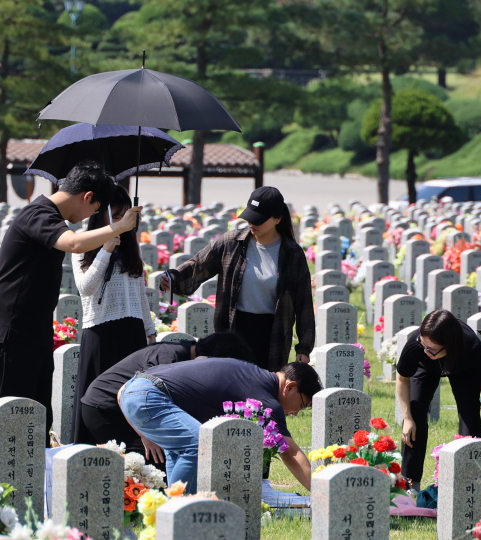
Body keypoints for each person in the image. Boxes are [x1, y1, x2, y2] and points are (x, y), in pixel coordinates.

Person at [0, 162, 142, 436]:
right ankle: (11, 479)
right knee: (18, 421)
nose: (88, 216)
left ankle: (31, 476)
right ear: (87, 197)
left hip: (35, 330)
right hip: (13, 331)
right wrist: (119, 227)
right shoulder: (38, 213)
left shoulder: (52, 217)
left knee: (39, 420)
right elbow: (74, 244)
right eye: (93, 210)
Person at [160, 186, 313, 371]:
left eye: (259, 219)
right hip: (232, 327)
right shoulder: (231, 242)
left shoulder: (292, 254)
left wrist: (304, 346)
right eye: (250, 216)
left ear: (277, 219)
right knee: (228, 383)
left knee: (263, 388)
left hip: (271, 334)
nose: (252, 223)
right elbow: (199, 264)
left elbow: (303, 301)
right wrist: (174, 276)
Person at [119, 359, 321, 492]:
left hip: (135, 391)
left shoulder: (252, 374)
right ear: (290, 387)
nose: (295, 413)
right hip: (149, 396)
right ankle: (178, 516)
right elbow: (290, 453)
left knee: (179, 450)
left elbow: (122, 391)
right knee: (199, 445)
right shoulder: (267, 400)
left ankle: (175, 517)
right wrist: (323, 496)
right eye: (301, 406)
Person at [395, 309, 481, 493]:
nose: (426, 350)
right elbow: (402, 378)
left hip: (463, 369)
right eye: (424, 345)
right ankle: (410, 483)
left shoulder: (472, 348)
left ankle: (470, 479)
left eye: (432, 349)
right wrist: (407, 418)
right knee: (415, 415)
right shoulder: (417, 345)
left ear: (449, 345)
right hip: (425, 369)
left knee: (469, 416)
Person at [70, 185, 156, 442]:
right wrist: (105, 249)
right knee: (95, 398)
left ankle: (133, 464)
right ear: (101, 216)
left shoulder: (131, 251)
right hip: (100, 332)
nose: (121, 223)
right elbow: (86, 288)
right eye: (115, 217)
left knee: (130, 401)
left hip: (131, 335)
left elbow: (140, 296)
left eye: (124, 217)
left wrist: (150, 332)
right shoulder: (84, 247)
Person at [79, 331, 255, 454]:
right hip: (106, 410)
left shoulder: (190, 355)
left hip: (130, 410)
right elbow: (127, 393)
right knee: (158, 457)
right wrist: (146, 435)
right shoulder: (168, 358)